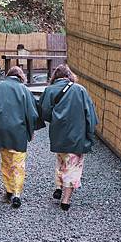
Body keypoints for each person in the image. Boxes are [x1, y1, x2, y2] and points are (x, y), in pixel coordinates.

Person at [38, 64, 98, 211]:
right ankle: (65, 200)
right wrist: (89, 135)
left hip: (58, 134)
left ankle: (59, 186)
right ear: (70, 76)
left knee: (61, 160)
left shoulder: (49, 90)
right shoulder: (80, 90)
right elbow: (91, 115)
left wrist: (56, 119)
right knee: (73, 166)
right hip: (77, 136)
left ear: (55, 78)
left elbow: (43, 111)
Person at [0, 66, 39, 208]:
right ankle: (17, 193)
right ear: (20, 77)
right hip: (19, 132)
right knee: (18, 163)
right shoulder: (24, 90)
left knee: (6, 162)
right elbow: (32, 114)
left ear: (9, 75)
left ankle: (9, 190)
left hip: (1, 130)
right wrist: (31, 131)